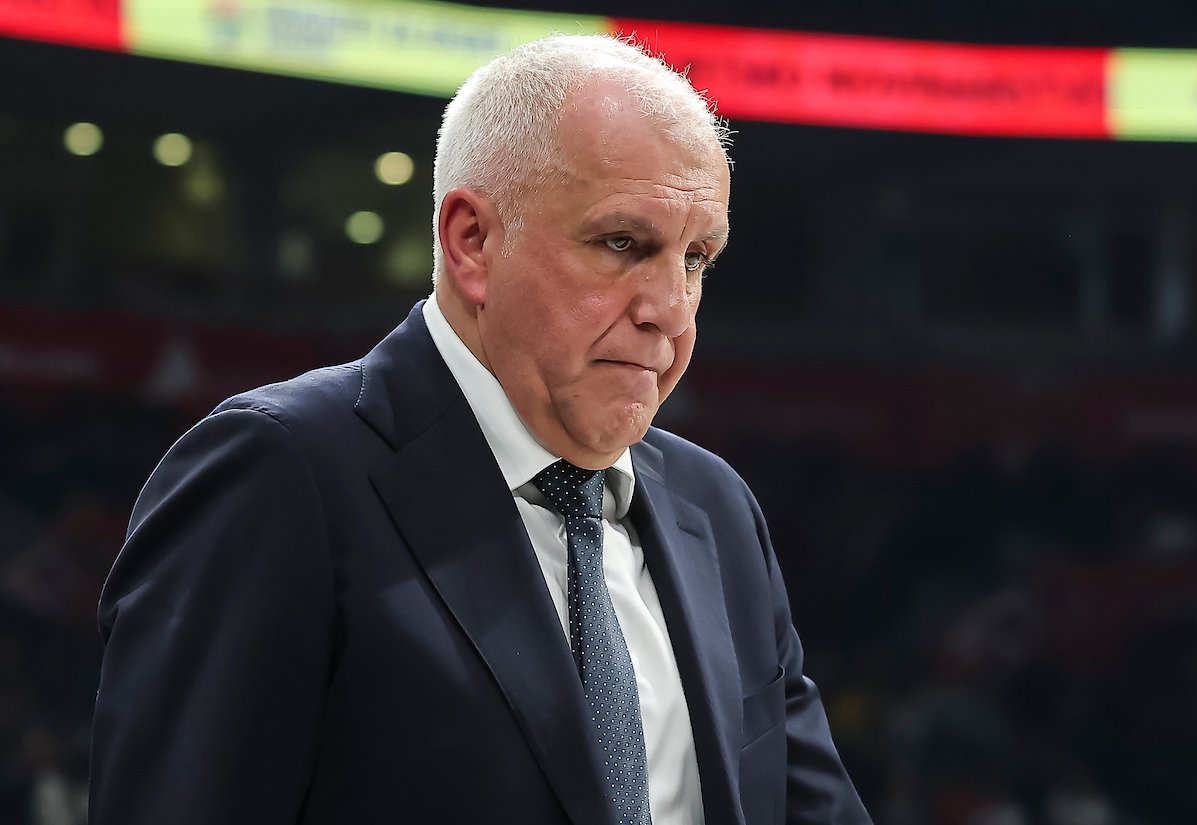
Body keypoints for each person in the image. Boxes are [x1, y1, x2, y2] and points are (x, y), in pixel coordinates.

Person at [89, 34, 871, 825]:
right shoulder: (280, 473)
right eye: (622, 243)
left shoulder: (718, 507)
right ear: (472, 241)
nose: (670, 310)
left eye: (696, 258)